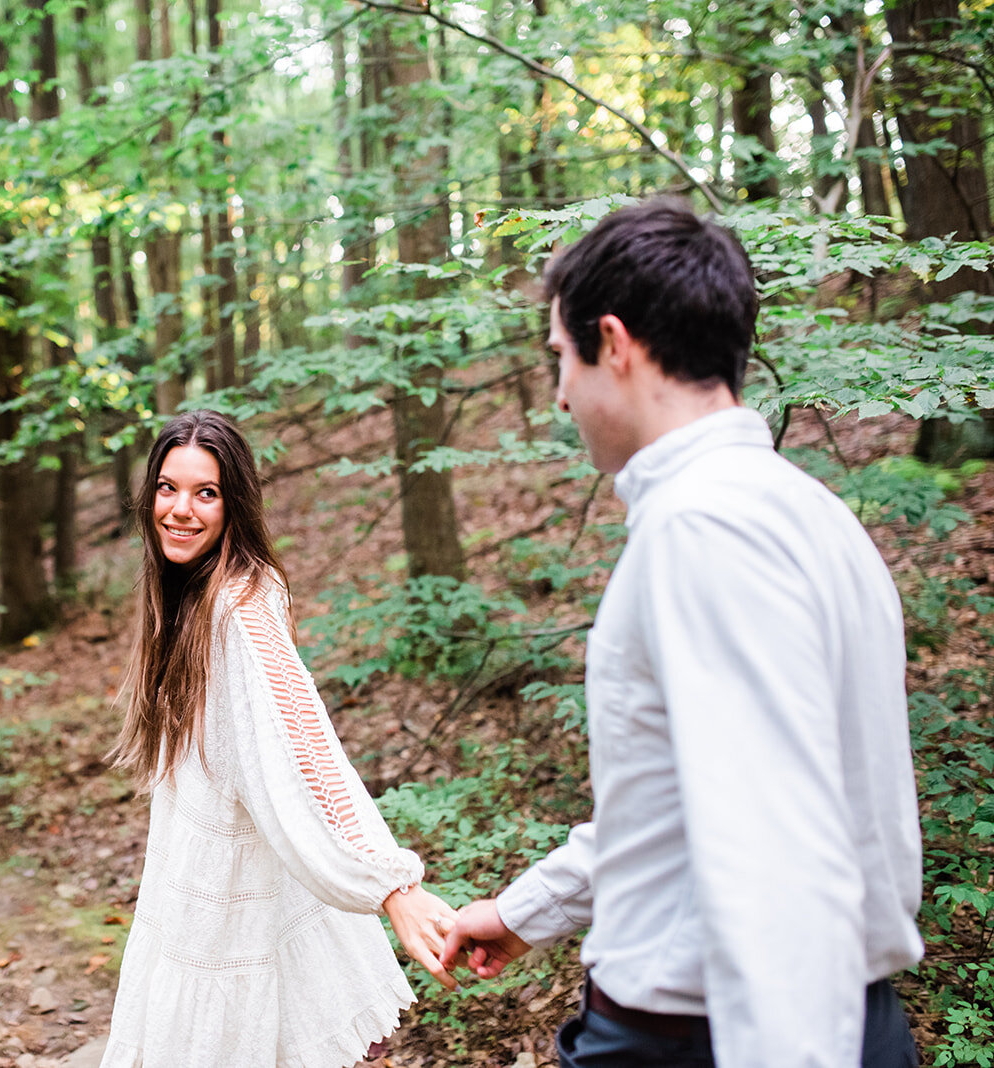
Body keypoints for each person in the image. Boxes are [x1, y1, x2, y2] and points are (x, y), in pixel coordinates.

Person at [439, 199, 924, 1067]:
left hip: (717, 1038)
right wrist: (524, 912)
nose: (558, 392)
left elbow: (778, 859)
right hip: (831, 1021)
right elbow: (690, 805)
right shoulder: (808, 512)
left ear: (615, 345)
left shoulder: (704, 532)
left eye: (561, 356)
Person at [100, 409, 456, 1068]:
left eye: (205, 493)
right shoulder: (182, 595)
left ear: (234, 504)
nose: (180, 510)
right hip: (206, 890)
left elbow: (306, 752)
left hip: (245, 906)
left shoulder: (241, 611)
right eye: (168, 488)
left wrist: (390, 886)